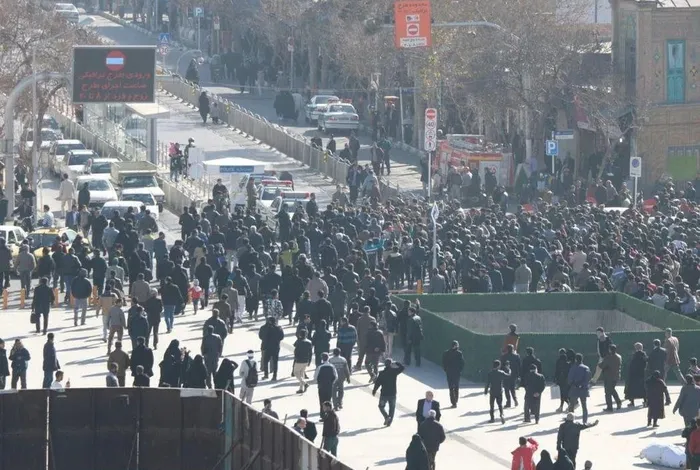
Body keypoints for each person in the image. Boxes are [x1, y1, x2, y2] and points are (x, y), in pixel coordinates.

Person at [372, 358, 405, 426]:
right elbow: (402, 368)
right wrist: (396, 362)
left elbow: (377, 383)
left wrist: (374, 390)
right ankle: (389, 423)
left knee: (381, 406)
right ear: (391, 364)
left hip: (384, 394)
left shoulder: (382, 373)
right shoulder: (394, 372)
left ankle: (386, 417)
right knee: (392, 408)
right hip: (393, 394)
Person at [567, 353, 591, 423]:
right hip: (583, 389)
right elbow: (588, 379)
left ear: (575, 359)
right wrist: (582, 385)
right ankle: (584, 421)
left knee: (571, 406)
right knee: (584, 406)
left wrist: (574, 385)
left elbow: (569, 380)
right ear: (582, 359)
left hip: (574, 389)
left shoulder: (572, 368)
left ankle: (570, 421)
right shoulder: (586, 368)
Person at [259, 316, 284, 381]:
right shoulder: (279, 328)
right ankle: (274, 376)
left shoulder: (264, 328)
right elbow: (282, 337)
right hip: (276, 346)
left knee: (265, 361)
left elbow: (261, 336)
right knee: (275, 362)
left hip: (267, 347)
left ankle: (266, 374)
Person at [484, 359, 509, 424]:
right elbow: (508, 375)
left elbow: (488, 383)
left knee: (492, 405)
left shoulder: (490, 373)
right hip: (499, 391)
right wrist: (509, 370)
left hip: (492, 391)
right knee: (500, 404)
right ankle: (501, 414)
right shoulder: (501, 373)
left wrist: (486, 390)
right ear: (498, 366)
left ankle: (492, 418)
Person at [442, 340, 465, 408]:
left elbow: (444, 362)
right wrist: (460, 370)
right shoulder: (459, 353)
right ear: (456, 346)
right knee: (456, 387)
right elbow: (462, 363)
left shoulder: (446, 353)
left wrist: (446, 370)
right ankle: (455, 400)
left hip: (449, 372)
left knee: (451, 388)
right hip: (456, 373)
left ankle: (453, 402)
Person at [600, 343, 622, 411]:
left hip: (608, 376)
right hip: (616, 376)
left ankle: (610, 407)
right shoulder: (619, 357)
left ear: (609, 350)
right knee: (612, 390)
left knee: (608, 392)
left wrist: (600, 363)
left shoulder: (608, 358)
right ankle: (618, 402)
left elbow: (602, 365)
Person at [624, 342, 648, 407]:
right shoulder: (644, 355)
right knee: (643, 388)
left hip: (634, 375)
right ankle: (645, 401)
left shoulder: (634, 355)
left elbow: (630, 364)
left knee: (632, 388)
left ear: (636, 348)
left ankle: (632, 402)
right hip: (642, 374)